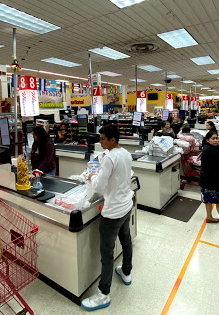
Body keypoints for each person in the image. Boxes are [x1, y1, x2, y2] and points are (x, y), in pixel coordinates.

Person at [81, 125, 134, 311]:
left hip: (112, 212)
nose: (100, 142)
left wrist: (92, 175)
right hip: (127, 205)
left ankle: (103, 294)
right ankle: (126, 272)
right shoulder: (126, 153)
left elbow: (99, 186)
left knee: (107, 253)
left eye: (103, 139)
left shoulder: (109, 158)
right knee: (126, 240)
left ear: (113, 139)